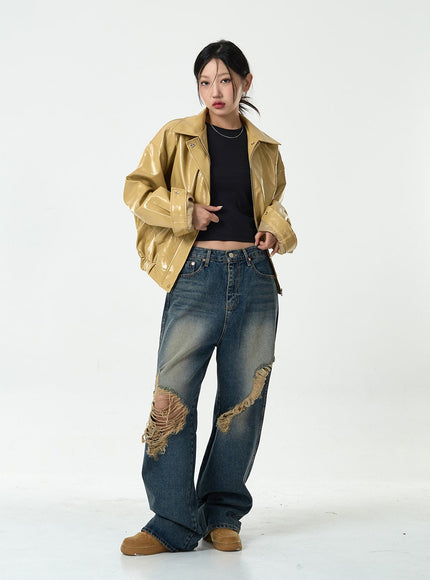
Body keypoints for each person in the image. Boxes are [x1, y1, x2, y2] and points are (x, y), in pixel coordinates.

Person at [120, 40, 297, 556]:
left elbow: (274, 204)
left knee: (243, 400)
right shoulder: (175, 136)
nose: (215, 91)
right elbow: (136, 191)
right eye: (205, 82)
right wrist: (186, 212)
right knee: (172, 396)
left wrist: (273, 229)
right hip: (195, 275)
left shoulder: (265, 149)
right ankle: (170, 522)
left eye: (224, 80)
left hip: (254, 277)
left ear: (244, 82)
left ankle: (222, 514)